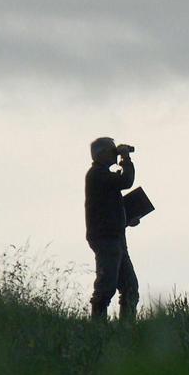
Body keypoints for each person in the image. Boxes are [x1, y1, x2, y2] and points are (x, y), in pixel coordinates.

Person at [85, 137, 140, 322]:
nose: (115, 155)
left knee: (130, 288)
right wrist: (125, 158)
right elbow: (126, 181)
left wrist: (126, 219)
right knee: (106, 286)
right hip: (106, 239)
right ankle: (97, 327)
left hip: (115, 237)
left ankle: (127, 330)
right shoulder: (97, 175)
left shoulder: (102, 176)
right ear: (101, 154)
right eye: (112, 151)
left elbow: (106, 208)